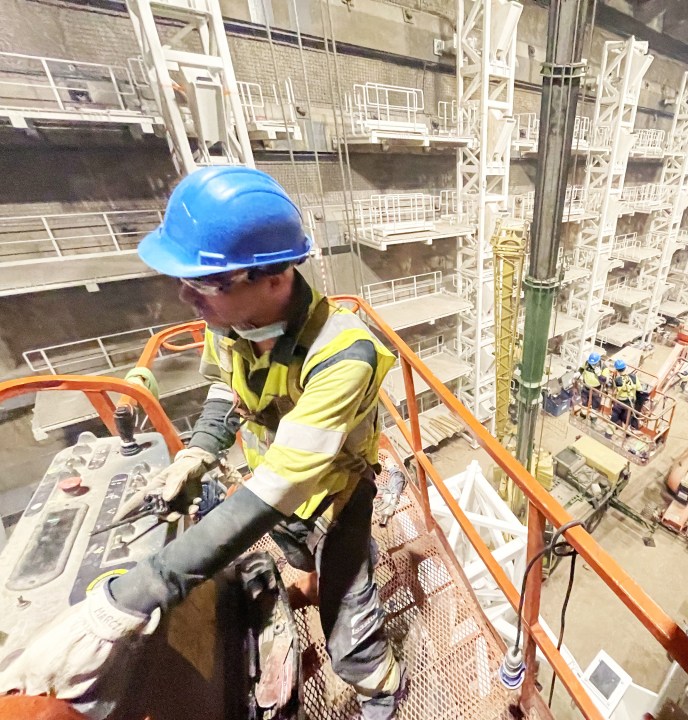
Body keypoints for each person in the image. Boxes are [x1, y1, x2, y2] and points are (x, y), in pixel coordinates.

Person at [0, 167, 405, 720]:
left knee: (347, 623)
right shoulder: (229, 320)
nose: (188, 296)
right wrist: (200, 449)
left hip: (333, 501)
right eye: (183, 280)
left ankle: (381, 689)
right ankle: (315, 574)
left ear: (276, 276)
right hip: (282, 502)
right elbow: (224, 386)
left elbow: (282, 486)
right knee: (298, 559)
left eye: (207, 283)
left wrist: (136, 594)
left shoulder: (343, 355)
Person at [609, 358, 636, 428]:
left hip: (619, 402)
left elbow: (614, 392)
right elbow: (639, 389)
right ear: (625, 368)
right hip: (630, 402)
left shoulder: (617, 380)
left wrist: (612, 400)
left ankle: (611, 431)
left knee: (615, 415)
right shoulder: (633, 377)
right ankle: (626, 431)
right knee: (627, 417)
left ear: (617, 370)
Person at [577, 352, 604, 417]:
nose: (592, 365)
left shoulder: (603, 367)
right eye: (591, 363)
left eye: (594, 364)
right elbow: (581, 368)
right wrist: (578, 373)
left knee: (595, 404)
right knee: (584, 402)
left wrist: (599, 375)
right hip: (586, 387)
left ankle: (593, 418)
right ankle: (583, 415)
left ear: (598, 361)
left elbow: (604, 381)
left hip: (596, 389)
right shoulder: (587, 363)